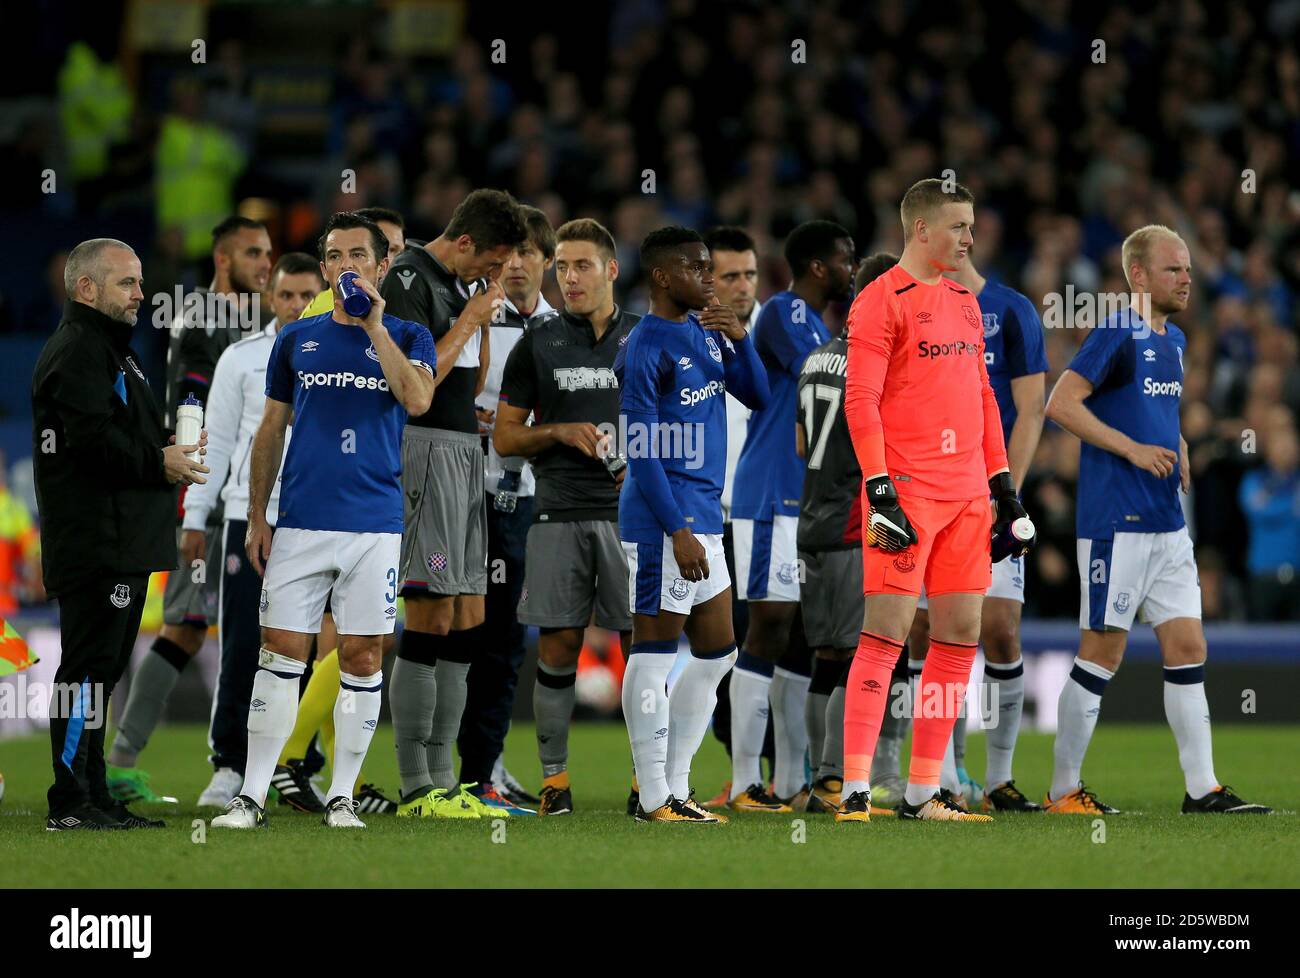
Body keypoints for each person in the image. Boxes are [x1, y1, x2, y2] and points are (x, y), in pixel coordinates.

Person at [210, 212, 436, 829]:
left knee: (363, 657)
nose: (344, 267)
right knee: (279, 652)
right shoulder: (295, 340)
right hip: (302, 521)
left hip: (374, 525)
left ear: (382, 265)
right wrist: (257, 515)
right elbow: (270, 428)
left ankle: (341, 794)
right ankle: (251, 795)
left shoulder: (411, 336)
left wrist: (374, 324)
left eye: (357, 256)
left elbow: (417, 400)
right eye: (333, 257)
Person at [1042, 224, 1270, 815]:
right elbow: (1061, 403)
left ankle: (1202, 789)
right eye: (1174, 269)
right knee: (1102, 652)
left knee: (1189, 645)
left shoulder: (1171, 339)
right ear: (1137, 275)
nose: (1187, 278)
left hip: (1169, 525)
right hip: (1117, 521)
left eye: (1189, 268)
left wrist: (1178, 445)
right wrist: (1132, 450)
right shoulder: (1117, 329)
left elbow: (1153, 410)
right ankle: (1063, 790)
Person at [839, 178, 1026, 823]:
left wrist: (1002, 482)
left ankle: (923, 792)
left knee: (959, 637)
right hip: (907, 495)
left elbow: (982, 395)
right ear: (920, 229)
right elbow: (858, 401)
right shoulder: (877, 300)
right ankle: (856, 789)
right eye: (958, 226)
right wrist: (879, 487)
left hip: (969, 496)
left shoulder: (965, 302)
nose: (970, 237)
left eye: (972, 226)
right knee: (885, 634)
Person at [34, 238, 209, 830]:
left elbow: (121, 433)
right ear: (87, 289)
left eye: (139, 282)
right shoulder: (80, 351)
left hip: (122, 539)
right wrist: (159, 460)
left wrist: (168, 446)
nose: (142, 294)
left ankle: (93, 789)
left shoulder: (112, 352)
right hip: (96, 541)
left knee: (101, 670)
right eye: (127, 284)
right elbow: (88, 442)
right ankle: (70, 800)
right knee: (86, 668)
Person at [106, 216, 271, 806]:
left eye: (270, 253)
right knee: (184, 623)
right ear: (223, 259)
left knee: (196, 627)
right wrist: (192, 500)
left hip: (240, 502)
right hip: (202, 495)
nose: (266, 264)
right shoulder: (202, 315)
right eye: (254, 253)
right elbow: (191, 403)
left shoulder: (257, 323)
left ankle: (270, 764)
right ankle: (121, 762)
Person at [379, 189, 528, 819]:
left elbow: (465, 371)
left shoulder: (459, 286)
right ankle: (418, 784)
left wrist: (479, 325)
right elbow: (415, 386)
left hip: (467, 451)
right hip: (425, 452)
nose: (494, 278)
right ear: (464, 242)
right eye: (490, 265)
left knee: (470, 613)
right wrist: (469, 321)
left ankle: (449, 782)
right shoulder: (411, 278)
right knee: (431, 613)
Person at [615, 226, 770, 823]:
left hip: (705, 513)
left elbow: (755, 394)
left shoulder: (704, 332)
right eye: (698, 267)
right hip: (665, 520)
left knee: (717, 651)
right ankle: (653, 796)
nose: (710, 277)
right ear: (661, 276)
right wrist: (676, 529)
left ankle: (676, 787)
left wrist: (741, 337)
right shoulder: (646, 345)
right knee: (653, 654)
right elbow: (642, 450)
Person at [495, 217, 640, 815]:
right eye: (562, 267)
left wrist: (648, 464)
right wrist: (556, 431)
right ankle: (554, 782)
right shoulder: (540, 343)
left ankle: (648, 782)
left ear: (611, 269)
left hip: (633, 519)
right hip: (557, 512)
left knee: (645, 649)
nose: (570, 277)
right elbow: (505, 437)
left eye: (583, 266)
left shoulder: (646, 337)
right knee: (557, 646)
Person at [901, 254, 1049, 813]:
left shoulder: (1010, 311)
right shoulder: (909, 306)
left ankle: (1000, 778)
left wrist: (1002, 493)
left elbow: (1031, 410)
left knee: (1001, 629)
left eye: (965, 229)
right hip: (929, 494)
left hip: (989, 495)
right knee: (925, 631)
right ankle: (937, 777)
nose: (958, 240)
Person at [727, 220, 857, 811]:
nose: (853, 271)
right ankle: (744, 779)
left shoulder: (818, 324)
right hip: (768, 495)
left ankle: (787, 782)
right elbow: (829, 374)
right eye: (846, 260)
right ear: (819, 267)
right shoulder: (783, 313)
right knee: (770, 624)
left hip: (807, 502)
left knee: (807, 636)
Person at [458, 205, 559, 814]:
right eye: (508, 253)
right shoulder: (472, 317)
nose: (515, 265)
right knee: (452, 632)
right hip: (463, 494)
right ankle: (446, 772)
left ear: (547, 262)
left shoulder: (564, 329)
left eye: (528, 254)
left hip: (527, 503)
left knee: (505, 641)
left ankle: (485, 767)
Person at [796, 252, 898, 815]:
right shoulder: (874, 363)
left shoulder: (816, 357)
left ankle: (823, 780)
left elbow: (800, 445)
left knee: (828, 658)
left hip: (812, 522)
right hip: (853, 525)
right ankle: (833, 783)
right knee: (861, 655)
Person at [699, 225, 769, 807]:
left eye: (749, 274)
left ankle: (776, 771)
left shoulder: (777, 330)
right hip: (708, 519)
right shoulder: (686, 334)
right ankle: (741, 768)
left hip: (765, 516)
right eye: (729, 276)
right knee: (722, 649)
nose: (743, 285)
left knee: (771, 638)